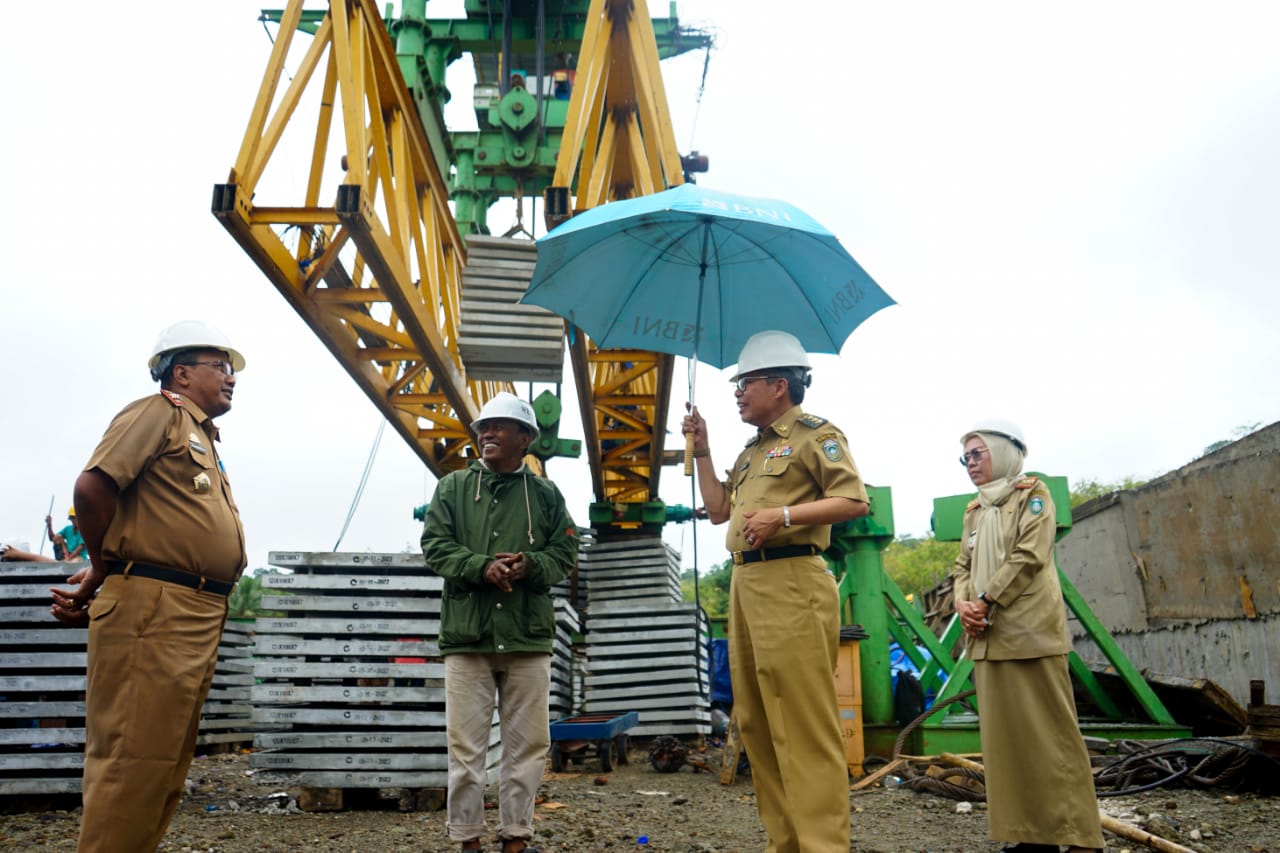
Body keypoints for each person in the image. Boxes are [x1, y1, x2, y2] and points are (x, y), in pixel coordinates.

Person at [49, 320, 247, 853]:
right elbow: (92, 490)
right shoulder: (156, 412)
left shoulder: (200, 432)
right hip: (157, 607)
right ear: (181, 373)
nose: (231, 377)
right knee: (131, 762)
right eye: (220, 366)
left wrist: (99, 572)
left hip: (192, 608)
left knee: (161, 765)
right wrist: (104, 566)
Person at [681, 330, 868, 853]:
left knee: (804, 724)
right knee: (758, 724)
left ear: (779, 385)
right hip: (747, 584)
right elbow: (720, 510)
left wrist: (784, 515)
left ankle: (823, 846)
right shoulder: (749, 453)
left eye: (745, 384)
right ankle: (786, 843)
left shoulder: (815, 436)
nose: (737, 393)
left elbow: (853, 499)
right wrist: (703, 451)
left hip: (793, 582)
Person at [420, 392, 578, 853]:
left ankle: (515, 838)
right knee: (466, 752)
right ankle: (468, 839)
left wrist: (530, 565)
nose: (486, 433)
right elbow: (435, 545)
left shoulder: (545, 495)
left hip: (527, 639)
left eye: (499, 427)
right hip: (468, 638)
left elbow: (566, 553)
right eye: (482, 427)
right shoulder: (452, 489)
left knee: (527, 748)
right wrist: (480, 566)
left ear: (525, 439)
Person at [952, 420, 1104, 853]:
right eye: (966, 457)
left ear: (1004, 452)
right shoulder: (974, 511)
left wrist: (985, 600)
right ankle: (1029, 837)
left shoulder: (1033, 496)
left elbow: (1029, 556)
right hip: (986, 638)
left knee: (1053, 737)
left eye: (978, 454)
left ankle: (1079, 839)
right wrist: (963, 604)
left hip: (1029, 632)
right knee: (1006, 744)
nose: (970, 464)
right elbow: (962, 565)